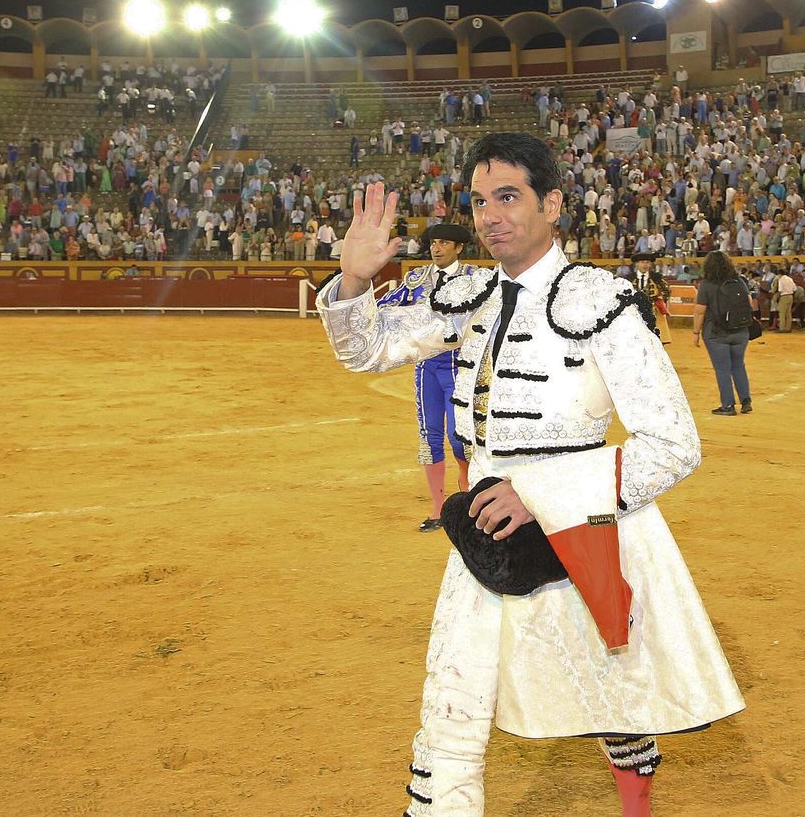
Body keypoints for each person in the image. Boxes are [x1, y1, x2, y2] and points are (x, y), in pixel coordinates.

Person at [318, 132, 743, 816]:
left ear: (553, 203)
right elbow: (366, 351)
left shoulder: (602, 300)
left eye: (508, 197)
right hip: (488, 528)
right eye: (481, 200)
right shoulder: (471, 294)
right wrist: (356, 281)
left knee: (611, 690)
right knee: (455, 696)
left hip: (588, 526)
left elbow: (673, 444)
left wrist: (538, 493)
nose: (489, 216)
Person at [376, 222, 475, 532]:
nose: (436, 248)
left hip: (460, 366)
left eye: (444, 243)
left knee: (459, 440)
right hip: (426, 367)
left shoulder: (474, 280)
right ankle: (438, 510)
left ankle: (469, 504)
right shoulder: (417, 279)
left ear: (458, 247)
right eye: (433, 243)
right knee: (430, 436)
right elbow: (385, 308)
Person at [691, 250, 754, 415]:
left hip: (716, 333)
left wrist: (696, 333)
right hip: (740, 331)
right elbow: (749, 303)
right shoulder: (739, 280)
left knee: (722, 369)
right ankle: (746, 401)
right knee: (738, 365)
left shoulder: (706, 284)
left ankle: (728, 405)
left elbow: (699, 311)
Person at [629, 251, 672, 344]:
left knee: (656, 339)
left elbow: (667, 291)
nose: (645, 265)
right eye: (642, 262)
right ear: (636, 264)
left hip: (653, 311)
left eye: (647, 262)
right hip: (634, 311)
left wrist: (660, 302)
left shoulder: (656, 277)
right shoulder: (629, 278)